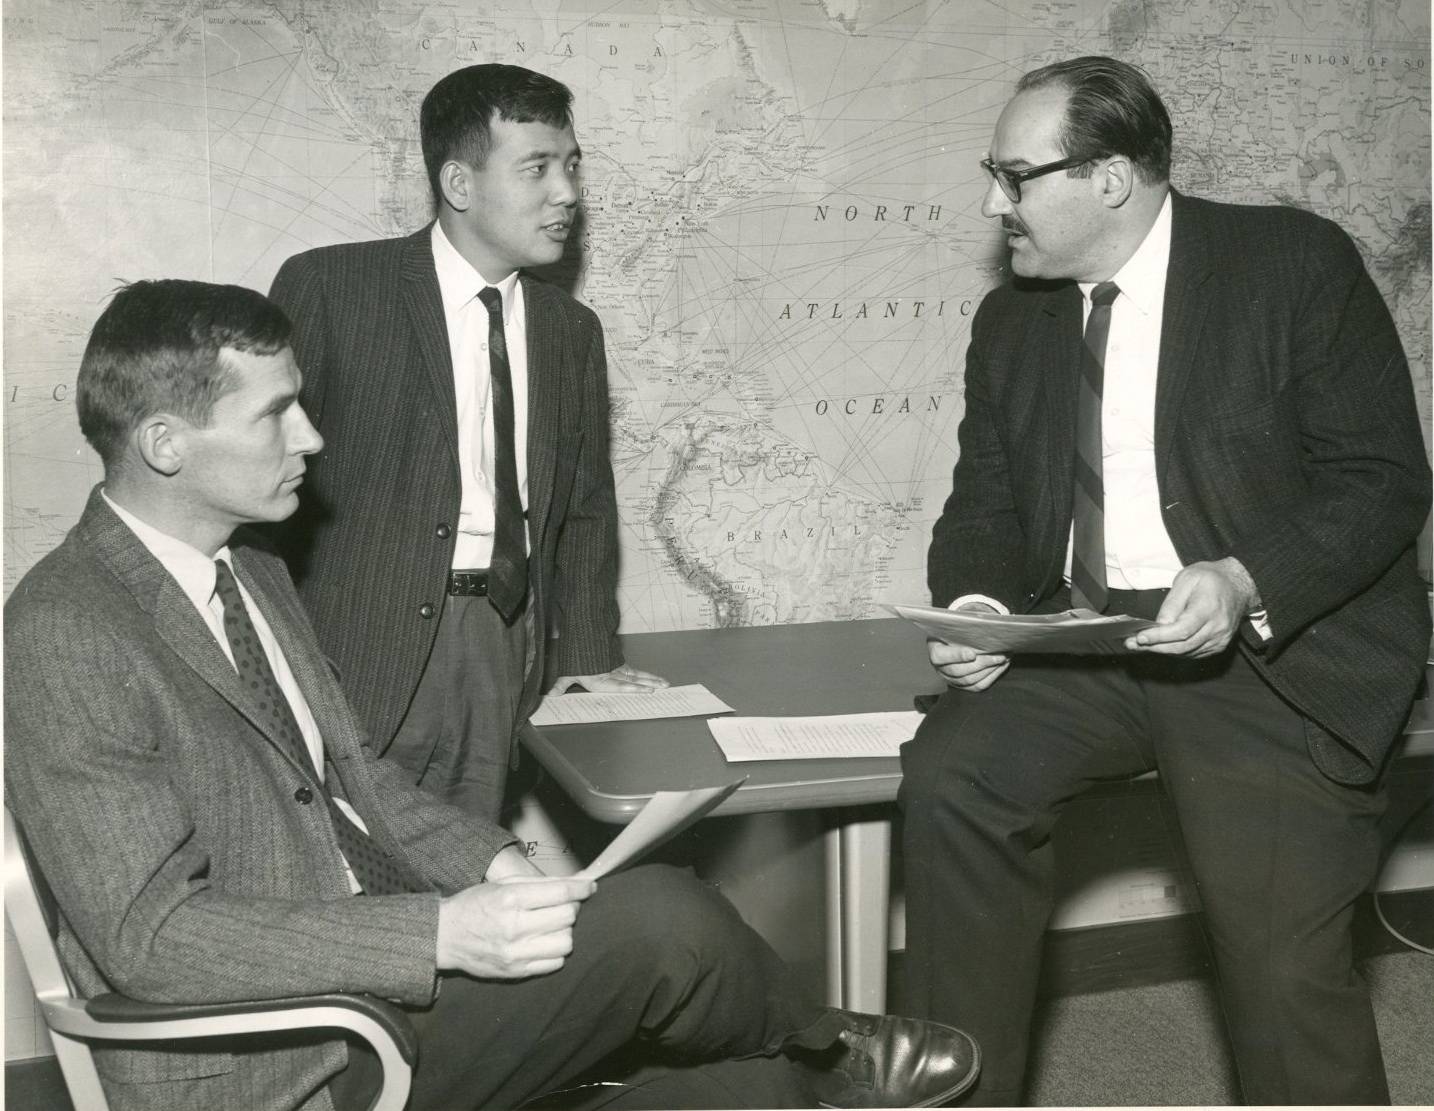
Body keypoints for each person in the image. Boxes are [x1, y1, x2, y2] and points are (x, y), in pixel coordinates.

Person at [3, 279, 980, 1111]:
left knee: (755, 1091)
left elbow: (360, 786)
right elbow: (152, 940)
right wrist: (439, 931)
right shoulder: (67, 631)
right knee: (664, 922)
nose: (313, 433)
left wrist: (498, 864)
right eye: (274, 413)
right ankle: (833, 1044)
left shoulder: (248, 566)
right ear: (167, 443)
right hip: (279, 1057)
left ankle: (811, 1059)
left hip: (371, 982)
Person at [898, 56, 1430, 1106]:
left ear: (1109, 178)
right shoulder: (1014, 322)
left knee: (1281, 961)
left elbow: (1382, 481)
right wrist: (977, 612)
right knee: (953, 780)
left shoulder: (1289, 265)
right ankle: (963, 1090)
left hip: (1270, 645)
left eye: (1014, 176)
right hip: (1093, 638)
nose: (990, 203)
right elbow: (986, 512)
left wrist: (1243, 577)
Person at [268, 64, 665, 819]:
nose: (568, 194)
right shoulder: (332, 288)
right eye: (538, 168)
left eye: (573, 165)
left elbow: (583, 510)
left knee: (466, 882)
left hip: (502, 646)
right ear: (459, 182)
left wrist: (587, 661)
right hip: (354, 652)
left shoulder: (570, 330)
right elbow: (262, 498)